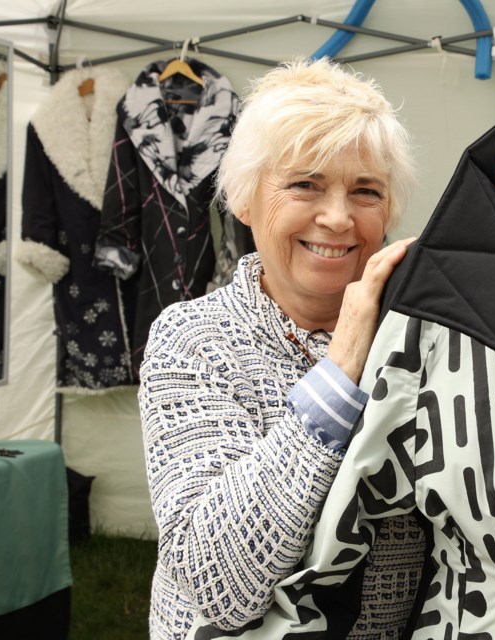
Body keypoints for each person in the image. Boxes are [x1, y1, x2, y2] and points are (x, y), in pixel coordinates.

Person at [137, 57, 425, 640]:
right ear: (245, 200)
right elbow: (217, 582)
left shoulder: (423, 337)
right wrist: (341, 369)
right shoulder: (193, 340)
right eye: (305, 184)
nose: (339, 217)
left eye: (365, 191)